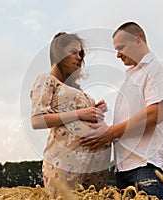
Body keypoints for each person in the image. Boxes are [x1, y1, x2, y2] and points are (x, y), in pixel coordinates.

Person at [80, 22, 163, 199]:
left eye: (120, 47)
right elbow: (132, 118)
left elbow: (156, 113)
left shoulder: (158, 68)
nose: (117, 55)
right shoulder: (134, 75)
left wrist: (110, 133)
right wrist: (101, 117)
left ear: (138, 40)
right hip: (126, 168)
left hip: (148, 165)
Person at [30, 32, 111, 192]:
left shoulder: (73, 88)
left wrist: (95, 111)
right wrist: (80, 114)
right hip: (65, 166)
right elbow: (37, 120)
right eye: (73, 52)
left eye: (81, 53)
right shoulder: (46, 80)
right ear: (58, 54)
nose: (79, 57)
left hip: (92, 169)